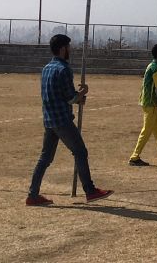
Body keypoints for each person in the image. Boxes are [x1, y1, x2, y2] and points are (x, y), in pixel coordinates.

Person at [26, 34, 112, 205]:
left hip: (49, 120)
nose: (70, 50)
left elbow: (55, 95)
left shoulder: (47, 68)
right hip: (62, 120)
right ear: (63, 48)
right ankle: (90, 190)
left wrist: (78, 98)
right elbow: (70, 98)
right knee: (80, 151)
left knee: (45, 158)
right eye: (69, 47)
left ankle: (32, 194)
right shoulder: (63, 69)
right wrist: (83, 93)